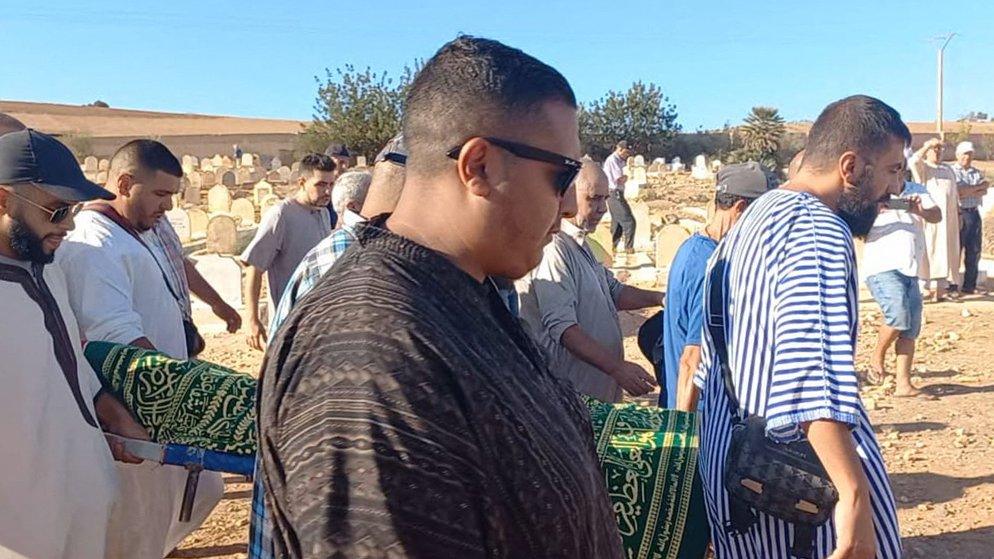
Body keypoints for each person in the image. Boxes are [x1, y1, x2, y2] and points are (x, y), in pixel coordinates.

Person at [259, 36, 623, 558]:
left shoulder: (458, 291)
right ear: (478, 166)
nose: (569, 205)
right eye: (562, 175)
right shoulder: (370, 354)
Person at [697, 95, 905, 558]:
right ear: (851, 167)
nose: (897, 186)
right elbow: (812, 373)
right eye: (892, 169)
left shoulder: (753, 219)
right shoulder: (818, 231)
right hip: (798, 492)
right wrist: (853, 496)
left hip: (733, 467)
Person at [57, 139, 223, 558]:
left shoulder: (132, 231)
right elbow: (115, 338)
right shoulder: (94, 245)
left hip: (158, 405)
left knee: (198, 491)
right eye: (161, 194)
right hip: (133, 412)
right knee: (135, 533)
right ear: (126, 183)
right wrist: (184, 395)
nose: (167, 207)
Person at [0, 128, 150, 559]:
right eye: (57, 210)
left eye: (75, 211)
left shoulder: (50, 269)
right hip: (20, 531)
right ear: (2, 199)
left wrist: (112, 411)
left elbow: (68, 364)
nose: (68, 225)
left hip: (83, 503)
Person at [517, 160, 662, 402]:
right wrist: (617, 368)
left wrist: (660, 297)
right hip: (573, 396)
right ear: (569, 195)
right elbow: (564, 328)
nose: (603, 208)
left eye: (605, 198)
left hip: (596, 393)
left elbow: (614, 292)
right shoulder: (554, 248)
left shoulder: (580, 242)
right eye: (594, 198)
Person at [660, 162, 775, 411]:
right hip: (701, 416)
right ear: (741, 208)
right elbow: (692, 359)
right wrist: (684, 435)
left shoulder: (692, 247)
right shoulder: (711, 265)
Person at [241, 153, 336, 350]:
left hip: (320, 319)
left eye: (331, 184)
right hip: (289, 323)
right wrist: (252, 320)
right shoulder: (281, 214)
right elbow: (254, 266)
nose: (327, 191)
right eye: (320, 185)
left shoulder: (324, 213)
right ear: (302, 182)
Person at [864, 177, 941, 397]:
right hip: (882, 265)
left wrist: (920, 211)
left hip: (910, 267)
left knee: (910, 329)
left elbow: (937, 215)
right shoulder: (872, 188)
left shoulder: (916, 189)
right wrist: (875, 209)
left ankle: (903, 385)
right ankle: (876, 356)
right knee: (898, 316)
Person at [909, 138, 960, 302]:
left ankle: (940, 290)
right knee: (928, 251)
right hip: (929, 219)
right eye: (934, 149)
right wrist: (927, 145)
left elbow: (954, 194)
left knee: (946, 252)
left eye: (940, 149)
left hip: (949, 222)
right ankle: (924, 289)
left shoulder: (948, 169)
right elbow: (913, 160)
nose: (937, 152)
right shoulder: (924, 167)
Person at [950, 141, 989, 295]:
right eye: (965, 153)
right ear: (958, 155)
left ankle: (969, 285)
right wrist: (976, 188)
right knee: (956, 250)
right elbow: (959, 192)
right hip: (960, 213)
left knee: (974, 250)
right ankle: (952, 285)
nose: (968, 157)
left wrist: (972, 190)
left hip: (974, 212)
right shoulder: (952, 171)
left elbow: (984, 190)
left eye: (970, 154)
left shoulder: (975, 172)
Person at [603, 140, 636, 258]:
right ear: (620, 149)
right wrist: (628, 175)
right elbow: (619, 179)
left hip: (617, 193)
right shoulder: (613, 160)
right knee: (629, 221)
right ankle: (629, 248)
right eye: (626, 153)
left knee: (617, 224)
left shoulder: (619, 161)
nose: (627, 155)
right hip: (614, 193)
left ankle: (611, 248)